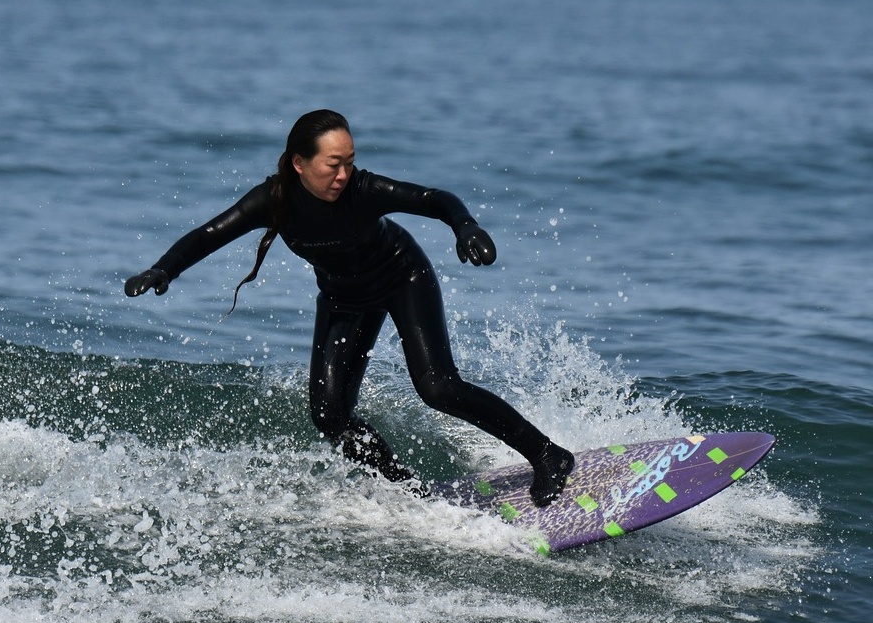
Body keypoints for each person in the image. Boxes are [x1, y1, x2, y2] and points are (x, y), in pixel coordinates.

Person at [124, 109, 574, 507]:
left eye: (349, 162)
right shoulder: (274, 200)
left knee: (438, 387)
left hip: (401, 276)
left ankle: (548, 455)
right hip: (344, 297)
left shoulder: (364, 190)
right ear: (300, 164)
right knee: (330, 415)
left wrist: (465, 226)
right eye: (333, 164)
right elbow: (209, 235)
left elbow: (433, 198)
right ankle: (407, 490)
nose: (343, 174)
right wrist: (165, 269)